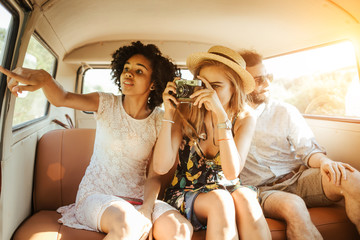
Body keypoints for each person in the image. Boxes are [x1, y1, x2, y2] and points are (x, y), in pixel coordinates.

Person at [0, 41, 193, 240]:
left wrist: (147, 208)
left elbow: (156, 174)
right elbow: (63, 98)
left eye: (139, 71)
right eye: (126, 68)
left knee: (179, 230)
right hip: (96, 195)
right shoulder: (105, 102)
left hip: (138, 198)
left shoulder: (160, 119)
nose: (128, 73)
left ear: (154, 83)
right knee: (129, 225)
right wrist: (46, 79)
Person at [153, 45, 271, 240]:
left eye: (215, 86)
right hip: (186, 192)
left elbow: (232, 173)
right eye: (202, 84)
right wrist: (169, 114)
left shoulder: (245, 117)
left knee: (247, 198)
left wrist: (220, 116)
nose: (206, 92)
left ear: (234, 87)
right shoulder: (185, 110)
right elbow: (160, 166)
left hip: (227, 189)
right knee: (220, 200)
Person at [239, 50, 360, 239]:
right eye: (259, 79)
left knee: (354, 179)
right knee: (293, 205)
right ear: (241, 82)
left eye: (268, 76)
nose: (268, 83)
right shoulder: (226, 119)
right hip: (262, 191)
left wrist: (325, 162)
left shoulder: (285, 111)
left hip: (299, 179)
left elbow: (308, 150)